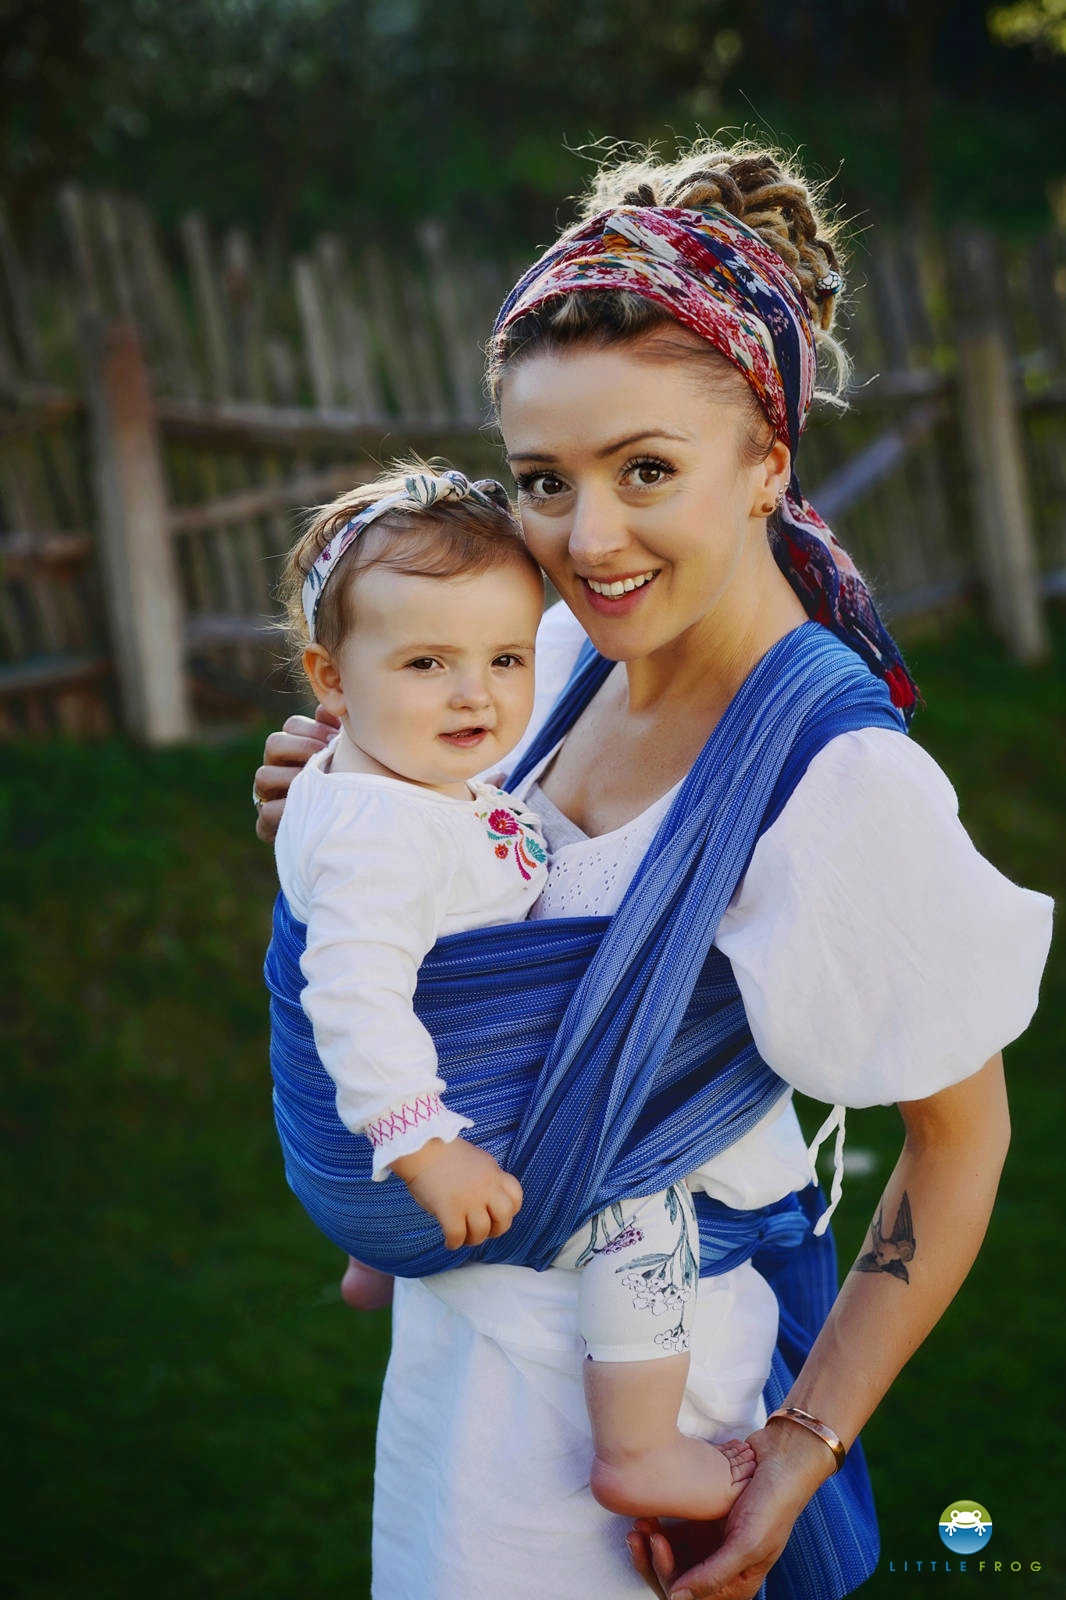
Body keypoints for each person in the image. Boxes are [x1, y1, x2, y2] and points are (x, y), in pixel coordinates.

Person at [253, 140, 1053, 1600]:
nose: (587, 538)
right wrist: (338, 806)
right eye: (541, 481)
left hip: (654, 1402)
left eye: (645, 471)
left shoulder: (836, 784)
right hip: (462, 1364)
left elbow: (957, 1146)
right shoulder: (551, 660)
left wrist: (802, 1445)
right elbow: (449, 910)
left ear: (766, 464)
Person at [270, 459, 759, 1528]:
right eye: (426, 662)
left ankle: (368, 1261)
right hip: (410, 1142)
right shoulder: (381, 836)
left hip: (377, 1137)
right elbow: (352, 1000)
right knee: (641, 1198)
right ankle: (637, 1447)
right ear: (331, 680)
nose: (475, 694)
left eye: (505, 657)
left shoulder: (372, 774)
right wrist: (425, 1150)